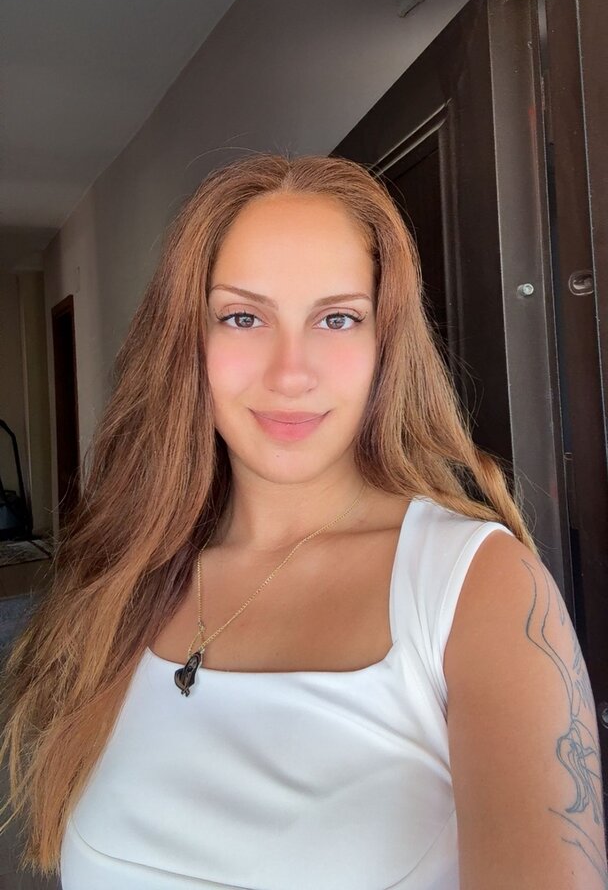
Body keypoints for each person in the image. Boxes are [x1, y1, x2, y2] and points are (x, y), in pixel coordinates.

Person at [0, 154, 606, 889]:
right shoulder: (127, 578)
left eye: (337, 318)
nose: (291, 372)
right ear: (188, 341)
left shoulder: (478, 587)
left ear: (385, 344)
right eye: (243, 317)